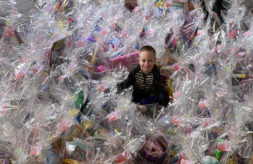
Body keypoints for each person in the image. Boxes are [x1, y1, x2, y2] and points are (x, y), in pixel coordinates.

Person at [117, 45, 169, 113]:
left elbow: (157, 87)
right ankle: (139, 105)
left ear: (154, 61)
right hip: (138, 92)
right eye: (143, 60)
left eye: (150, 61)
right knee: (128, 100)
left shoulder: (155, 71)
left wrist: (147, 102)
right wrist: (120, 91)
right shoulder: (134, 70)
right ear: (139, 60)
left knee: (161, 96)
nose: (146, 64)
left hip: (150, 93)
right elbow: (128, 82)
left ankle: (148, 106)